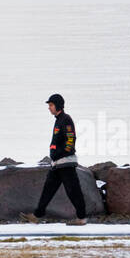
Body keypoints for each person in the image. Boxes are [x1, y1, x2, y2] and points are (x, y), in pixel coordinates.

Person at [21, 94, 87, 225]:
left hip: (66, 163)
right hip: (57, 164)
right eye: (49, 105)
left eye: (51, 105)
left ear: (58, 105)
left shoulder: (66, 119)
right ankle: (36, 215)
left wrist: (61, 153)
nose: (49, 108)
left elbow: (70, 140)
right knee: (48, 189)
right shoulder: (58, 120)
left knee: (73, 191)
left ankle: (82, 218)